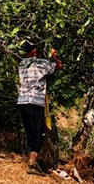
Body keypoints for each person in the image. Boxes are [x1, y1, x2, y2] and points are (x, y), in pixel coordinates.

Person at [17, 43, 62, 176]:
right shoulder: (42, 64)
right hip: (35, 102)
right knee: (38, 133)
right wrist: (55, 55)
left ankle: (32, 160)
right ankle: (32, 164)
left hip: (22, 101)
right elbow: (59, 66)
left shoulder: (22, 64)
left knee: (29, 131)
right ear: (34, 51)